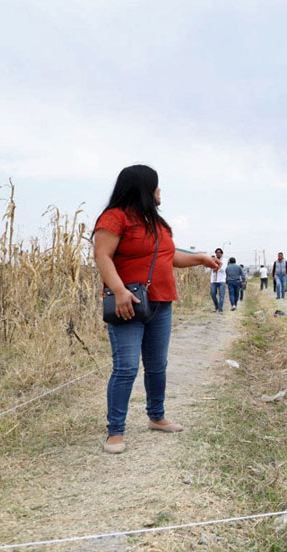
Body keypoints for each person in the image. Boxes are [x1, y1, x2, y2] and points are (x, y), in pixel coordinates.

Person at [93, 164, 221, 454]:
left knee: (157, 365)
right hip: (129, 304)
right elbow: (102, 255)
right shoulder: (114, 218)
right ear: (144, 189)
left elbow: (169, 256)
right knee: (125, 368)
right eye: (156, 186)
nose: (160, 191)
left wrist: (200, 259)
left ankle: (157, 416)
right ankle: (115, 431)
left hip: (161, 303)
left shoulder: (158, 223)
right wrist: (119, 290)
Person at [209, 248, 226, 313]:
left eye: (219, 252)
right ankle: (216, 306)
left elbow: (223, 269)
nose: (218, 254)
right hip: (213, 280)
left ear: (221, 253)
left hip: (221, 280)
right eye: (217, 252)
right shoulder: (213, 260)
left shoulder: (224, 260)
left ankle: (220, 309)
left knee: (221, 295)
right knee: (213, 294)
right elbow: (210, 268)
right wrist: (218, 266)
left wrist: (216, 268)